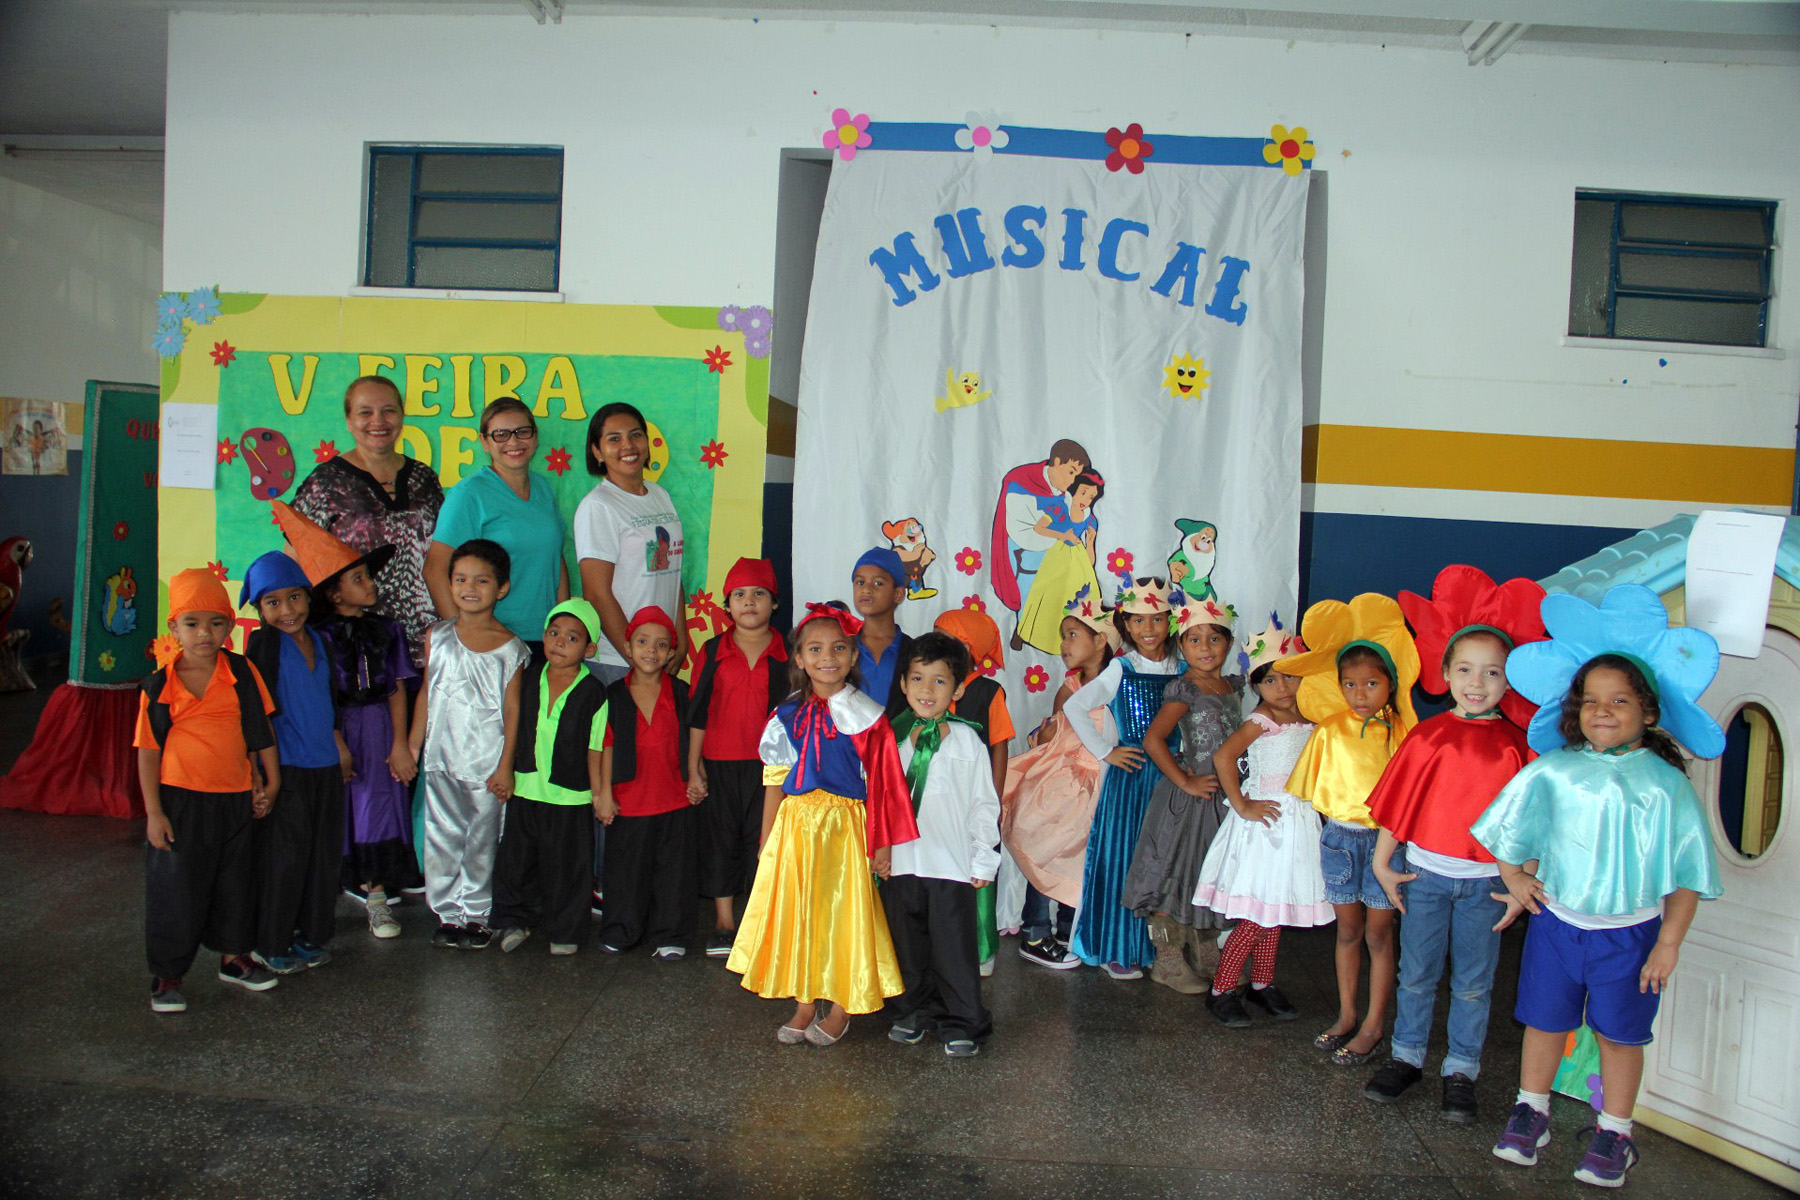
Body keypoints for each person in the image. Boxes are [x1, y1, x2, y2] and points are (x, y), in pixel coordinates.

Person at [1475, 583, 1724, 1189]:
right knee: (1544, 1022)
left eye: (1618, 700)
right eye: (1590, 701)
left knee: (1619, 1035)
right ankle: (1530, 1113)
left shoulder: (1665, 785)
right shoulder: (1556, 770)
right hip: (1559, 926)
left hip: (1630, 935)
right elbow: (1507, 830)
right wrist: (1515, 877)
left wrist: (1668, 943)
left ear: (1649, 711)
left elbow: (1687, 874)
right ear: (1574, 708)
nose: (1602, 711)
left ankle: (1616, 1132)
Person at [1362, 569, 1543, 1123]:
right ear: (1444, 673)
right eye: (1465, 669)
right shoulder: (1427, 736)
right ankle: (1406, 1057)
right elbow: (1400, 803)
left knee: (1472, 982)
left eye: (1492, 673)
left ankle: (1461, 1070)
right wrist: (1382, 863)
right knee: (1415, 972)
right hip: (1426, 878)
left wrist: (1520, 884)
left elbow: (1529, 825)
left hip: (1486, 884)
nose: (1477, 682)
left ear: (1508, 680)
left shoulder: (1517, 748)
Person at [726, 603, 920, 1047]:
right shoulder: (787, 714)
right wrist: (767, 838)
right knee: (801, 912)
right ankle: (804, 1001)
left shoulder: (868, 717)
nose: (826, 657)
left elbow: (884, 787)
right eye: (814, 648)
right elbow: (774, 779)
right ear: (799, 658)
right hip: (796, 826)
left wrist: (882, 845)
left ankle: (841, 1005)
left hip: (846, 827)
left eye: (838, 648)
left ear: (852, 657)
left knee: (844, 913)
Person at [1277, 594, 1420, 1065]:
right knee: (1347, 932)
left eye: (1372, 683)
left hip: (1385, 845)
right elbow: (1313, 791)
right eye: (1350, 684)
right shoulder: (1329, 730)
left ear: (1390, 683)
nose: (1360, 693)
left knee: (1380, 936)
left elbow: (1410, 796)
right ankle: (1345, 1015)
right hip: (1338, 840)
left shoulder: (1401, 732)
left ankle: (1375, 1023)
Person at [136, 568, 280, 1012]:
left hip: (235, 799)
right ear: (174, 628)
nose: (205, 633)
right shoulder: (161, 684)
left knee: (236, 883)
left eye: (217, 623)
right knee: (176, 889)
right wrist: (154, 813)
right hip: (181, 803)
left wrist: (270, 781)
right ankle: (168, 975)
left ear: (230, 627)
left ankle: (234, 959)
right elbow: (147, 751)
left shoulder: (240, 671)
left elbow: (259, 731)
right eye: (193, 623)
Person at [1193, 616, 1330, 1026]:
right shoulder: (1263, 719)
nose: (1282, 688)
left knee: (1277, 907)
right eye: (1270, 681)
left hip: (1297, 823)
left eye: (1290, 678)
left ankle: (1262, 982)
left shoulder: (1309, 718)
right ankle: (1222, 988)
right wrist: (1242, 805)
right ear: (1256, 687)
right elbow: (1223, 757)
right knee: (1256, 914)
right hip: (1266, 824)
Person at [408, 538, 530, 951]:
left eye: (481, 580)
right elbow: (427, 692)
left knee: (481, 840)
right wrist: (412, 744)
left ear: (502, 588)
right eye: (460, 579)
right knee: (442, 835)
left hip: (486, 766)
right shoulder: (437, 637)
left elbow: (513, 712)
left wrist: (505, 765)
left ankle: (477, 914)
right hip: (441, 758)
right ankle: (447, 913)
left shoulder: (511, 648)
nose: (469, 588)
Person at [883, 632, 1001, 1058]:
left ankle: (963, 1020)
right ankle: (911, 1012)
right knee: (906, 948)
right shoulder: (890, 739)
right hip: (900, 864)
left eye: (939, 681)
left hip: (950, 866)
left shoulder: (968, 741)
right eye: (917, 679)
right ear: (902, 684)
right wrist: (878, 852)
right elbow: (877, 799)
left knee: (954, 950)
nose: (926, 690)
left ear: (959, 688)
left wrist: (983, 858)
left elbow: (983, 804)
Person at [1063, 576, 1183, 979]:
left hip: (1174, 778)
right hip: (1132, 778)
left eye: (1156, 619)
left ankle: (1166, 949)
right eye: (1138, 621)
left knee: (1167, 861)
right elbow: (1077, 706)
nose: (1148, 629)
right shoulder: (1122, 668)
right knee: (1126, 859)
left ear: (1170, 621)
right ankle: (1117, 945)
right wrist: (1105, 751)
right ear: (1126, 626)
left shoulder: (1184, 668)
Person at [1125, 592, 1244, 994]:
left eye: (1214, 639)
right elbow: (1154, 739)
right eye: (1194, 640)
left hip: (1222, 800)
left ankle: (1204, 946)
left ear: (1228, 643)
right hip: (1189, 801)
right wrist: (1186, 781)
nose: (1205, 648)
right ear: (1181, 646)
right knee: (1172, 874)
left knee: (1208, 875)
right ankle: (1168, 959)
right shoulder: (1186, 688)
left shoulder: (1231, 685)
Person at [308, 523, 421, 938]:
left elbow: (395, 689)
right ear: (334, 594)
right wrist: (335, 741)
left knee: (377, 803)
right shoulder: (316, 638)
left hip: (376, 728)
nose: (370, 583)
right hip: (336, 727)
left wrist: (399, 743)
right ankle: (333, 891)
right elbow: (321, 695)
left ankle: (378, 896)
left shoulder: (386, 630)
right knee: (341, 805)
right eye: (358, 578)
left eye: (368, 575)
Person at [241, 544, 347, 975]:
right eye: (273, 602)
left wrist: (339, 746)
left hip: (324, 765)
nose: (288, 610)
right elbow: (253, 714)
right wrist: (259, 775)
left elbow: (329, 700)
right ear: (260, 608)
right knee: (283, 859)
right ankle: (272, 940)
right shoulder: (263, 646)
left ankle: (309, 933)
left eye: (295, 597)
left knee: (321, 856)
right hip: (285, 768)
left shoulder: (320, 640)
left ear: (308, 595)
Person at [292, 374, 444, 670]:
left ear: (401, 416)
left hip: (426, 644)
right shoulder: (325, 483)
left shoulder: (425, 479)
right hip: (355, 648)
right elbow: (297, 563)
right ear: (349, 421)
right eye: (365, 412)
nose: (379, 420)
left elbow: (443, 554)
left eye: (389, 410)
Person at [1004, 586, 1114, 969]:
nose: (1064, 644)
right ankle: (1035, 930)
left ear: (1100, 640)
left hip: (1103, 783)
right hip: (1067, 782)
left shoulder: (1119, 685)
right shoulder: (1069, 687)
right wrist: (1045, 735)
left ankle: (1069, 924)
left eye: (1072, 634)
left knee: (1080, 858)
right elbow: (1054, 732)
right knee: (1047, 847)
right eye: (1062, 636)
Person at [493, 599, 609, 956]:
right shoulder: (528, 677)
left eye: (572, 638)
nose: (559, 642)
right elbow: (510, 726)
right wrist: (505, 770)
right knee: (516, 861)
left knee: (569, 868)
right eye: (553, 633)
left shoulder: (595, 692)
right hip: (526, 788)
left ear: (589, 648)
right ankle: (514, 920)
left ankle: (566, 930)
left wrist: (598, 793)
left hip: (570, 796)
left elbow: (595, 747)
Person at [686, 557, 787, 958]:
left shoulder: (787, 652)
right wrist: (694, 767)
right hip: (721, 762)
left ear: (774, 604)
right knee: (720, 840)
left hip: (771, 768)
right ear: (727, 605)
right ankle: (724, 923)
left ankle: (757, 920)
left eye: (759, 594)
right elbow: (697, 714)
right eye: (739, 595)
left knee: (761, 841)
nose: (749, 602)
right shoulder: (713, 651)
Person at [426, 398, 569, 655]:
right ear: (484, 442)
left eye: (522, 432)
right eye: (500, 434)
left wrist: (564, 625)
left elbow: (555, 559)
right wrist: (466, 640)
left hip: (546, 642)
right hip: (494, 645)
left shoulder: (543, 488)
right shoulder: (469, 494)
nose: (513, 442)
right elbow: (435, 570)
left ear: (535, 437)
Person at [595, 607, 697, 960]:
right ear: (628, 647)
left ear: (672, 652)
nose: (650, 651)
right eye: (642, 642)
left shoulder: (682, 693)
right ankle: (621, 930)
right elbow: (604, 746)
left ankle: (671, 934)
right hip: (629, 800)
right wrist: (604, 795)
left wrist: (698, 776)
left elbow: (697, 740)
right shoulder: (613, 695)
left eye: (661, 644)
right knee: (626, 872)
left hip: (674, 798)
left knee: (674, 872)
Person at [572, 401, 688, 680]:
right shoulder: (598, 506)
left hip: (656, 655)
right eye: (614, 439)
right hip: (619, 661)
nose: (628, 445)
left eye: (635, 435)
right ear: (597, 451)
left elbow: (670, 570)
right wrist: (634, 655)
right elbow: (597, 594)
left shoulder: (660, 495)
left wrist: (679, 639)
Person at [931, 607, 1016, 975]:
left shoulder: (987, 691)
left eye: (947, 640)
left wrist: (993, 799)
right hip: (936, 798)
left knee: (978, 870)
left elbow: (999, 744)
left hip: (973, 797)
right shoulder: (927, 685)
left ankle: (982, 948)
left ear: (969, 649)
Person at [989, 438, 1091, 652]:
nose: (1072, 480)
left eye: (1076, 474)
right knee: (1030, 594)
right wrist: (1061, 536)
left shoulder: (1063, 493)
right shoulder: (1020, 482)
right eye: (1070, 471)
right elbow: (1022, 527)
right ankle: (1023, 632)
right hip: (1023, 550)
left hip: (1051, 551)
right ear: (1055, 461)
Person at [1013, 469, 1105, 656]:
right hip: (1058, 558)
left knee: (1077, 601)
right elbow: (1039, 527)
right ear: (1074, 490)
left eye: (1091, 497)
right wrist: (1063, 535)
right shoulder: (1060, 509)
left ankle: (1065, 644)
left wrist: (1091, 541)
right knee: (1046, 597)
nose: (1086, 499)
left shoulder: (1089, 519)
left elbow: (1090, 561)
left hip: (1078, 563)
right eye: (1083, 492)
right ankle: (1025, 634)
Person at [851, 546, 911, 718]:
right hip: (850, 743)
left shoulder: (913, 651)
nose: (867, 589)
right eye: (860, 582)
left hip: (898, 743)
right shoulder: (843, 646)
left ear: (898, 594)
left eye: (878, 583)